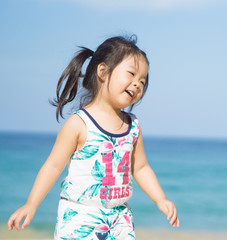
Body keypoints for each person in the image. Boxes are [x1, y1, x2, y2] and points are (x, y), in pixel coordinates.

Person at [7, 35, 180, 239]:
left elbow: (141, 167)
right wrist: (31, 204)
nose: (137, 84)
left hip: (119, 219)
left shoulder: (133, 126)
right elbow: (53, 166)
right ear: (103, 72)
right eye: (131, 74)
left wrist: (161, 199)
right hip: (79, 217)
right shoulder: (79, 124)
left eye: (142, 81)